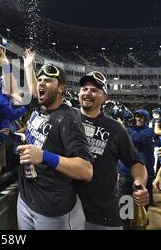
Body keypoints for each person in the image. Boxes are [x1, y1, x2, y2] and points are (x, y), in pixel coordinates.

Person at [19, 55, 93, 230]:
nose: (41, 83)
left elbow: (86, 170)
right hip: (25, 199)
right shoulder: (40, 106)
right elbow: (35, 88)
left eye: (48, 81)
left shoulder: (68, 119)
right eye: (40, 80)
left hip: (52, 210)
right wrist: (28, 65)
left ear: (61, 88)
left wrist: (44, 156)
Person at [76, 71, 149, 230]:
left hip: (103, 215)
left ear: (105, 97)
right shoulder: (66, 118)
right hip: (66, 210)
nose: (88, 92)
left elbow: (136, 163)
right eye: (84, 88)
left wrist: (139, 183)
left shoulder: (116, 129)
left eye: (94, 90)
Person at [118, 109, 155, 207]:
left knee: (141, 203)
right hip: (126, 171)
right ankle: (125, 221)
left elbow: (138, 139)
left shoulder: (149, 131)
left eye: (141, 117)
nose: (138, 119)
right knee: (125, 201)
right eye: (137, 116)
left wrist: (123, 128)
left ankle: (139, 221)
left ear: (146, 118)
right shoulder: (129, 129)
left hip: (143, 172)